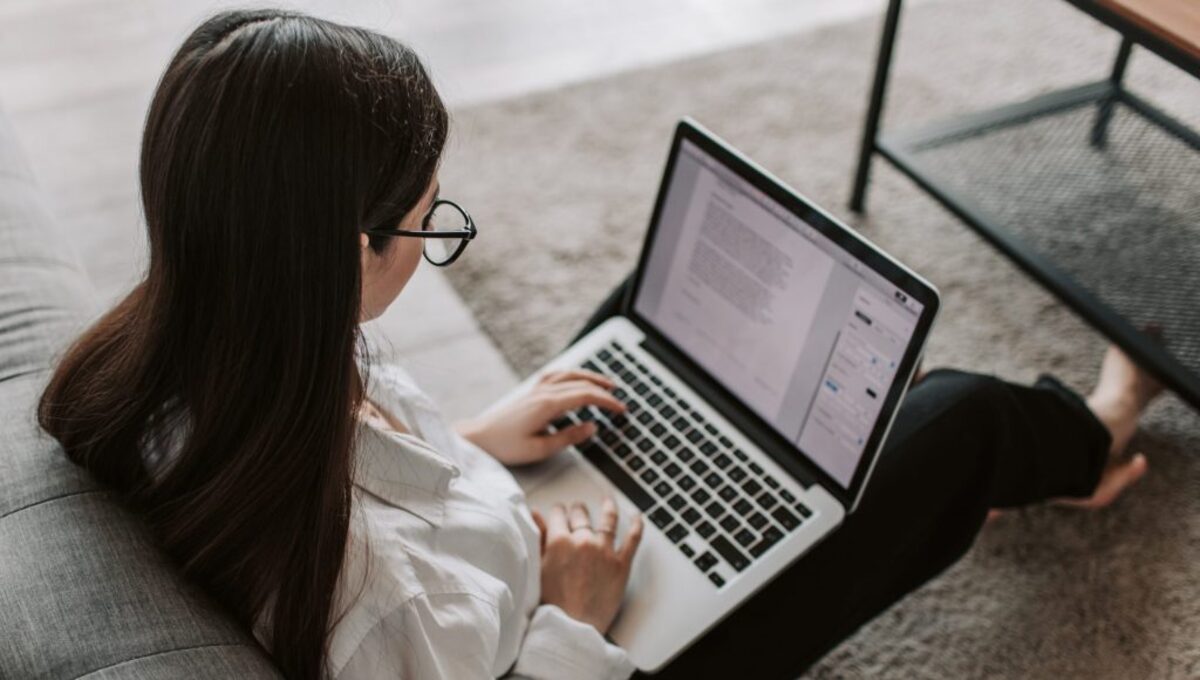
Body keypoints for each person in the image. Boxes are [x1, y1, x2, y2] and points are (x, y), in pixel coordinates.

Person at [34, 9, 1160, 680]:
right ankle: (1091, 438)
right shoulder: (366, 605)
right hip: (597, 640)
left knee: (653, 319)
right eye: (426, 221)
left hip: (504, 529)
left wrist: (473, 439)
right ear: (341, 249)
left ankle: (835, 417)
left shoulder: (202, 345)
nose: (435, 233)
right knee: (958, 417)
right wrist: (572, 615)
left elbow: (352, 468)